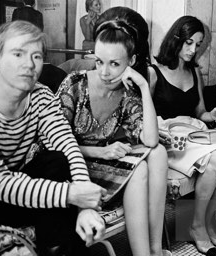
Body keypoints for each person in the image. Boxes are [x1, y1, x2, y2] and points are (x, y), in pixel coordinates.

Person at [0, 20, 107, 256]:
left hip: (11, 187)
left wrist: (84, 203)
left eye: (37, 56)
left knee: (56, 160)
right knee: (65, 207)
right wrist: (73, 195)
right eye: (18, 53)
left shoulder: (41, 95)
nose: (28, 65)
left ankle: (57, 248)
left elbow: (67, 145)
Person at [57, 7, 170, 256]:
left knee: (157, 152)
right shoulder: (74, 84)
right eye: (99, 61)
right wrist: (102, 151)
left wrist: (142, 85)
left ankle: (152, 250)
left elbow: (150, 140)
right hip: (69, 169)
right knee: (140, 167)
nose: (105, 72)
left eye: (114, 64)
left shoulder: (128, 94)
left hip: (100, 166)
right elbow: (52, 147)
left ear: (131, 62)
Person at [149, 16, 216, 256]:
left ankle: (202, 221)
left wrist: (213, 114)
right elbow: (141, 118)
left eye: (198, 45)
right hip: (169, 143)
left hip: (193, 137)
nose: (193, 50)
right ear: (176, 40)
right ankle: (197, 226)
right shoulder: (153, 73)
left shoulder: (194, 72)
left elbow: (200, 112)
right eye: (189, 43)